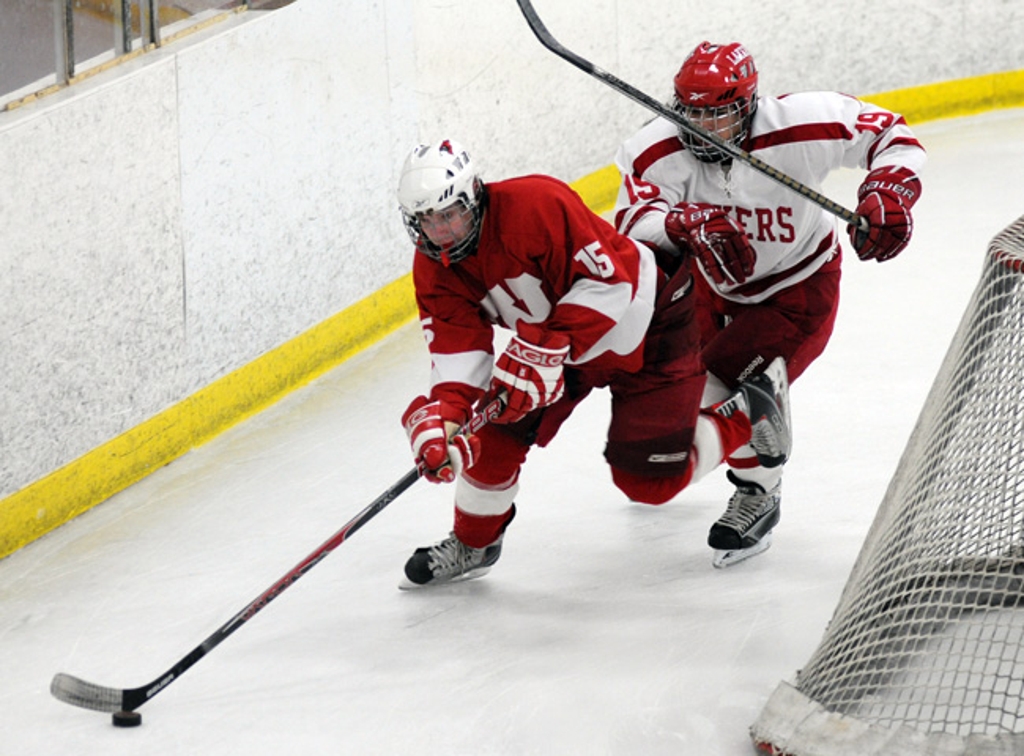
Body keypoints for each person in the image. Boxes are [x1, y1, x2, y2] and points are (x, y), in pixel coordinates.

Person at [394, 138, 794, 587]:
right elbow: (456, 352)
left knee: (650, 480)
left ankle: (751, 413)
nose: (442, 231)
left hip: (649, 320)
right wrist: (447, 417)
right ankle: (474, 543)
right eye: (427, 221)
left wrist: (545, 349)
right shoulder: (434, 268)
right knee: (491, 434)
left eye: (450, 214)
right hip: (559, 346)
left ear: (475, 196)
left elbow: (611, 285)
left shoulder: (537, 204)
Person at [613, 41, 927, 565]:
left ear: (747, 106)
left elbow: (894, 134)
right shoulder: (655, 149)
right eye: (690, 112)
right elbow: (628, 221)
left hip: (797, 289)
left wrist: (889, 192)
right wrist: (677, 223)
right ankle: (755, 411)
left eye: (716, 115)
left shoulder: (801, 123)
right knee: (668, 401)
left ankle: (758, 493)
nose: (699, 128)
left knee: (719, 389)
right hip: (712, 289)